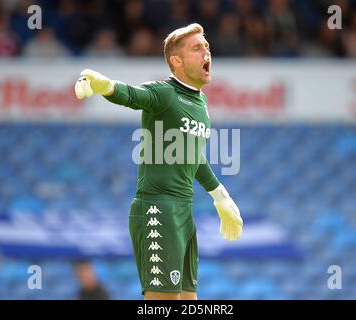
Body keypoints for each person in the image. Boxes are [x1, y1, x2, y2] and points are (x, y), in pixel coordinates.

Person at [74, 23, 243, 300]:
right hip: (157, 207)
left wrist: (219, 195)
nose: (206, 52)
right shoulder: (165, 93)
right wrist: (106, 86)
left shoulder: (200, 102)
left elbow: (190, 155)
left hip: (184, 211)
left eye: (207, 47)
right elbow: (133, 96)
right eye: (197, 48)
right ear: (176, 61)